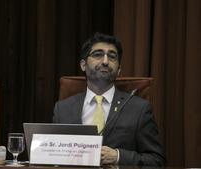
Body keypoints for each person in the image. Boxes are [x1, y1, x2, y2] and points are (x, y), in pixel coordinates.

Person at [53, 33, 165, 166]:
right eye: (98, 55)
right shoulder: (62, 109)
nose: (105, 61)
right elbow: (52, 157)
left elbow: (157, 161)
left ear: (118, 69)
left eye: (112, 57)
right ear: (83, 65)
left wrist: (119, 156)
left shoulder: (139, 109)